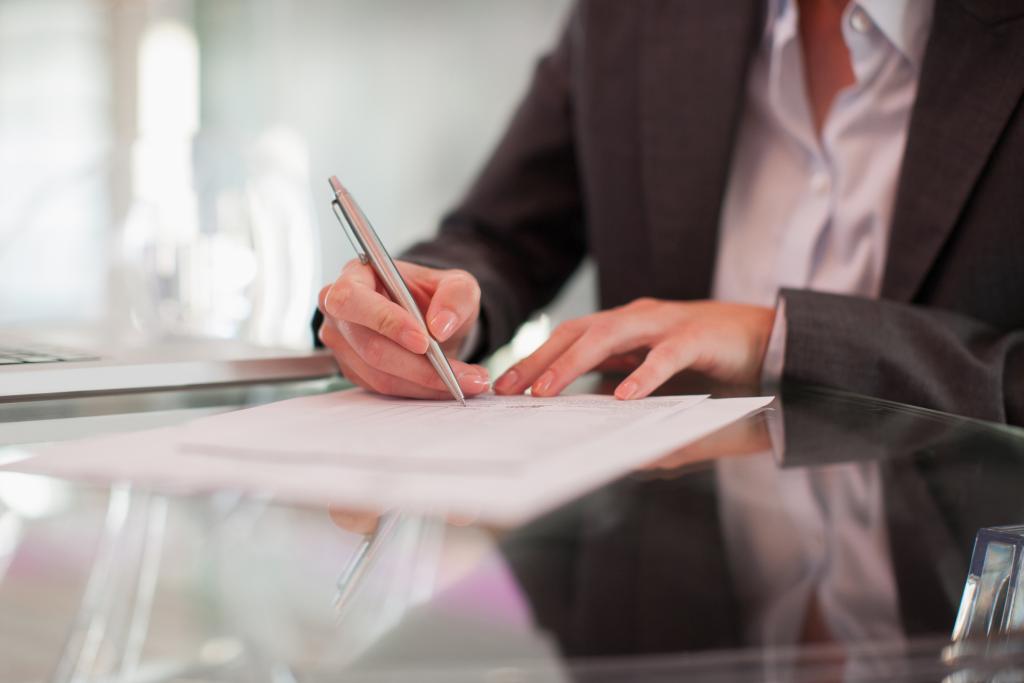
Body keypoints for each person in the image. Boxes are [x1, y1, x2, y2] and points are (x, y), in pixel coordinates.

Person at [315, 0, 1024, 425]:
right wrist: (426, 309)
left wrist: (777, 338)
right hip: (666, 593)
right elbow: (499, 237)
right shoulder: (639, 15)